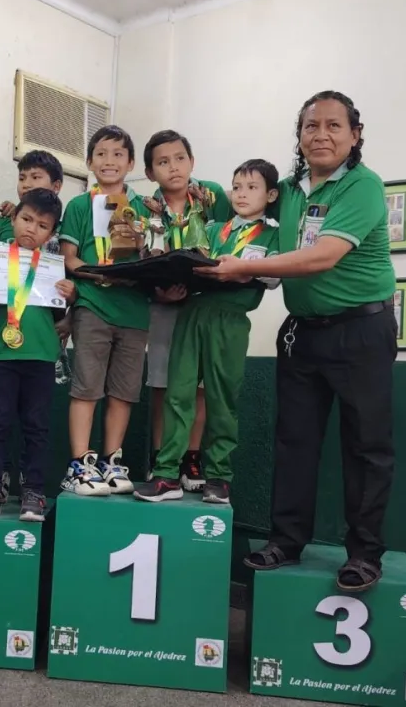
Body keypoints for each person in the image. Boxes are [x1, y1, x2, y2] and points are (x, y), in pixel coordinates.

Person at [197, 91, 396, 592]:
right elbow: (229, 207)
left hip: (362, 331)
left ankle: (366, 554)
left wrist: (244, 266)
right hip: (302, 333)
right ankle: (285, 542)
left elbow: (320, 257)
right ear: (299, 135)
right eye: (311, 126)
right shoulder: (286, 190)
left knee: (366, 447)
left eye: (334, 126)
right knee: (294, 441)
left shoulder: (363, 186)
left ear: (355, 135)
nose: (321, 135)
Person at [136, 160, 280, 504]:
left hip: (230, 320)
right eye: (237, 187)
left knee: (222, 399)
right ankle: (167, 473)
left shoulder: (274, 233)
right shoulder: (213, 229)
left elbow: (274, 277)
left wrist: (245, 270)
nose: (242, 194)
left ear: (271, 194)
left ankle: (219, 476)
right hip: (191, 313)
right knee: (178, 393)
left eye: (252, 187)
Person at [0, 188, 75, 521]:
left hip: (41, 355)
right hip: (1, 353)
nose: (32, 229)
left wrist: (71, 295)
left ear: (52, 233)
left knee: (37, 427)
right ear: (13, 219)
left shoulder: (54, 267)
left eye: (42, 226)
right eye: (26, 219)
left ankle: (34, 492)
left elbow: (61, 314)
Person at [59, 125, 150, 495]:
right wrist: (100, 275)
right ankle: (81, 464)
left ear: (130, 163)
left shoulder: (145, 208)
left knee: (124, 392)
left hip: (134, 311)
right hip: (92, 305)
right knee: (86, 388)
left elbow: (151, 255)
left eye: (117, 154)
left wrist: (139, 268)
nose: (109, 161)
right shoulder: (80, 205)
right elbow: (69, 257)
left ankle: (112, 461)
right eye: (101, 154)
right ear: (89, 162)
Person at [140, 129, 232, 490]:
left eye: (180, 159)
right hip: (164, 306)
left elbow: (235, 233)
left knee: (199, 385)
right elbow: (136, 260)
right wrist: (158, 292)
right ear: (150, 172)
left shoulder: (213, 198)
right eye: (162, 162)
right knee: (162, 383)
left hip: (206, 303)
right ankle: (162, 457)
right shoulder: (143, 208)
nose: (173, 168)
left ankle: (192, 458)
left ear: (192, 161)